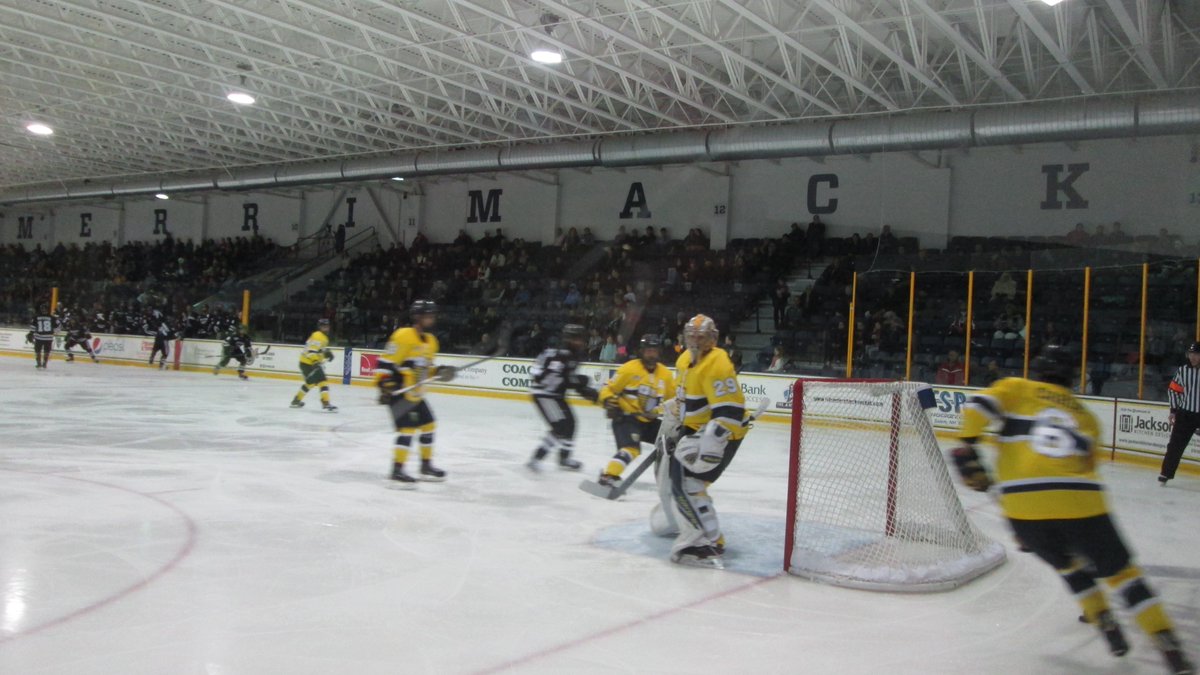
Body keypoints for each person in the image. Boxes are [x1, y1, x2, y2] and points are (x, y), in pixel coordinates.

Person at [952, 346, 1193, 675]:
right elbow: (1086, 466)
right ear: (1072, 376)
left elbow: (977, 405)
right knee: (1123, 575)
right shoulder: (1086, 416)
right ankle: (1165, 640)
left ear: (1037, 370)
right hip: (1081, 502)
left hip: (1024, 509)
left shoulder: (1017, 387)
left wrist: (969, 444)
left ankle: (1103, 618)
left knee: (1068, 567)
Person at [651, 314, 750, 569]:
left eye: (701, 336)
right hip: (695, 428)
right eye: (691, 335)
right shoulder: (684, 359)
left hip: (724, 432)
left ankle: (699, 541)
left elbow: (731, 410)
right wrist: (677, 413)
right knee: (684, 483)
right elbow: (685, 396)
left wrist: (712, 441)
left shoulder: (718, 362)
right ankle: (712, 539)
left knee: (686, 481)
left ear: (712, 339)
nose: (695, 340)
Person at [376, 300, 457, 487]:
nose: (432, 318)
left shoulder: (431, 342)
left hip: (416, 393)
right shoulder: (403, 336)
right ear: (418, 317)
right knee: (407, 429)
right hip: (399, 391)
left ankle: (426, 466)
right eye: (429, 315)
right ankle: (397, 469)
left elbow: (425, 370)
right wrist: (384, 385)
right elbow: (385, 363)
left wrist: (438, 372)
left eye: (433, 315)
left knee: (429, 425)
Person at [596, 335, 674, 487]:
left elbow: (673, 402)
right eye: (648, 351)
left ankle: (676, 479)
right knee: (631, 449)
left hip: (649, 422)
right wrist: (609, 401)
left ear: (659, 352)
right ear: (641, 351)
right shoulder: (629, 369)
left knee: (673, 443)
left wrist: (658, 411)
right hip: (626, 419)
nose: (651, 354)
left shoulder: (666, 375)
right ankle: (608, 475)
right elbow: (608, 388)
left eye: (654, 351)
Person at [527, 324, 599, 472]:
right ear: (569, 339)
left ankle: (564, 458)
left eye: (581, 339)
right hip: (545, 395)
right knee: (560, 427)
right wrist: (584, 387)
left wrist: (583, 388)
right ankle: (537, 457)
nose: (580, 342)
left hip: (556, 395)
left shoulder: (567, 355)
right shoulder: (562, 355)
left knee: (571, 423)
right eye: (577, 339)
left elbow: (568, 380)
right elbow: (563, 379)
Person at [1160, 341, 1200, 486]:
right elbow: (1173, 390)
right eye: (1191, 354)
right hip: (1185, 415)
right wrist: (1173, 410)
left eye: (1196, 354)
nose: (1193, 357)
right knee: (1175, 446)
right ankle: (1166, 473)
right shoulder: (1183, 370)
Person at [291, 317, 338, 412]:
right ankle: (325, 403)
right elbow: (312, 351)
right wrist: (316, 362)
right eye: (323, 326)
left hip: (306, 362)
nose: (326, 328)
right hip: (309, 363)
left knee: (310, 383)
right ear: (320, 327)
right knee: (322, 380)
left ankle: (296, 400)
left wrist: (327, 353)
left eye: (327, 326)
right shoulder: (318, 335)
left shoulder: (323, 337)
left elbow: (319, 350)